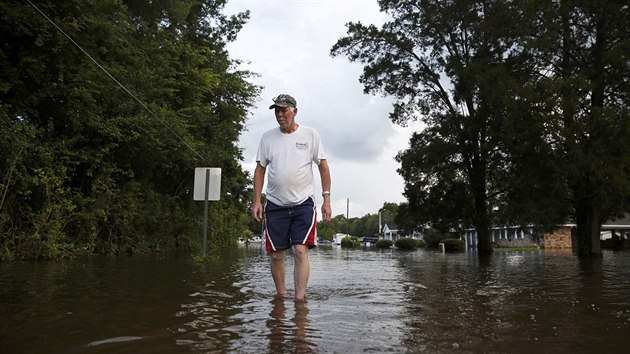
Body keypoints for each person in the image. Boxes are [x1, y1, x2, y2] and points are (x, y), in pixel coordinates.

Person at [251, 94, 332, 301]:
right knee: (277, 255)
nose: (279, 114)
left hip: (303, 202)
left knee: (299, 250)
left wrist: (326, 200)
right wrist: (257, 201)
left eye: (284, 110)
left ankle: (299, 299)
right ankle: (280, 297)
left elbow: (323, 166)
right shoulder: (267, 138)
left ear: (295, 111)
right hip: (275, 204)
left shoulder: (310, 135)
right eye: (276, 110)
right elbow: (260, 169)